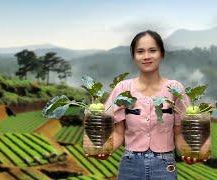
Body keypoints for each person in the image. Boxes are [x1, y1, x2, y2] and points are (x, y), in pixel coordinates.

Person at [90, 30, 210, 179]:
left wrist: (189, 153)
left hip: (165, 166)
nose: (146, 56)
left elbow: (179, 133)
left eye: (152, 50)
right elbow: (118, 132)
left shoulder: (175, 89)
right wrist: (105, 149)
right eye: (140, 51)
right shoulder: (123, 88)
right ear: (134, 57)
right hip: (130, 165)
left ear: (162, 54)